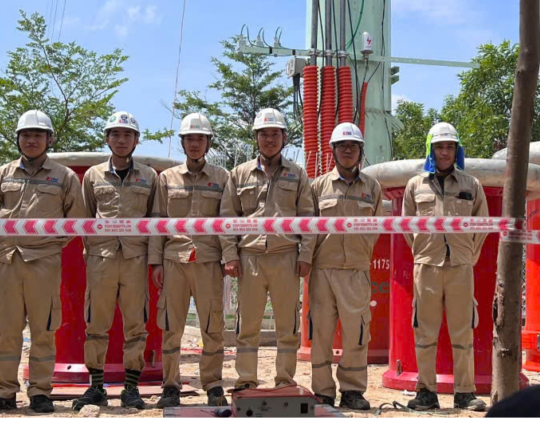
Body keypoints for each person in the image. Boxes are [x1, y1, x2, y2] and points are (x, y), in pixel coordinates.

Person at [0, 110, 84, 414]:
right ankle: (4, 392)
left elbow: (75, 220)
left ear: (49, 139)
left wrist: (50, 246)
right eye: (26, 135)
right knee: (7, 332)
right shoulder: (1, 175)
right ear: (18, 139)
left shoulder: (64, 177)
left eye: (38, 135)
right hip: (7, 262)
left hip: (44, 263)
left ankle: (40, 392)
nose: (31, 140)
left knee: (43, 330)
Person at [220, 108, 316, 389]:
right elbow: (227, 218)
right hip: (249, 258)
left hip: (286, 257)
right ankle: (246, 380)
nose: (269, 139)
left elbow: (308, 218)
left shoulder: (297, 174)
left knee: (287, 326)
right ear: (256, 138)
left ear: (285, 137)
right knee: (247, 325)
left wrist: (306, 255)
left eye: (275, 134)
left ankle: (284, 380)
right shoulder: (239, 174)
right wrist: (230, 255)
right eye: (264, 134)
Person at [71, 111, 158, 411]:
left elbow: (155, 219)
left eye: (128, 135)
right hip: (102, 259)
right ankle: (96, 387)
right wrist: (92, 252)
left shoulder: (149, 176)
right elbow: (85, 218)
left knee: (136, 324)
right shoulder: (93, 176)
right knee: (96, 322)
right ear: (107, 139)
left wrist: (154, 259)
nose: (122, 140)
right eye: (116, 135)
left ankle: (131, 389)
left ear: (136, 140)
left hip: (135, 258)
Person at [401, 122, 489, 412]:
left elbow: (483, 224)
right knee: (425, 332)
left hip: (460, 267)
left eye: (450, 146)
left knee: (463, 332)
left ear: (456, 150)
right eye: (439, 147)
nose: (444, 152)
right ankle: (426, 392)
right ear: (431, 149)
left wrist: (469, 254)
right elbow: (407, 225)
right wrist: (422, 250)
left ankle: (465, 392)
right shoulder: (415, 185)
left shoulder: (471, 185)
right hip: (427, 266)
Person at [150, 113, 230, 408]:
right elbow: (158, 221)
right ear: (182, 142)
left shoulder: (222, 178)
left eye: (200, 139)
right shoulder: (167, 178)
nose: (195, 144)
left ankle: (213, 384)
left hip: (209, 261)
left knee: (212, 327)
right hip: (174, 260)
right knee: (171, 327)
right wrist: (156, 261)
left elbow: (227, 221)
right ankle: (170, 385)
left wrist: (229, 258)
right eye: (190, 139)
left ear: (208, 142)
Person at [308, 123, 383, 410]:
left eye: (353, 146)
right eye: (342, 146)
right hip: (323, 270)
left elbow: (377, 227)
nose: (347, 150)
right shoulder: (318, 187)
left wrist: (360, 254)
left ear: (361, 151)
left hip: (355, 270)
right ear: (333, 151)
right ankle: (323, 391)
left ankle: (352, 390)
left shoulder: (372, 187)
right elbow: (309, 229)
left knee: (357, 333)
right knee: (320, 333)